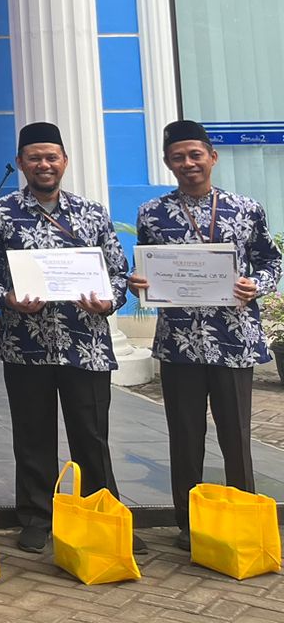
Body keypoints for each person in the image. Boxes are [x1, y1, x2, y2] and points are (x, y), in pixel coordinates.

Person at [0, 121, 133, 554]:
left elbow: (118, 272)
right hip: (25, 344)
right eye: (34, 158)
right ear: (20, 163)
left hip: (85, 343)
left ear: (64, 161)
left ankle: (102, 514)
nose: (43, 164)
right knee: (32, 436)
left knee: (92, 436)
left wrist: (109, 300)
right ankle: (36, 517)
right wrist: (8, 299)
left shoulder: (92, 213)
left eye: (51, 157)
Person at [128, 119, 281, 548]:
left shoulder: (245, 208)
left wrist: (257, 285)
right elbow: (144, 267)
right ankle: (189, 524)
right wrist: (138, 283)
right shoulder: (152, 213)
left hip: (233, 339)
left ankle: (243, 519)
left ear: (212, 157)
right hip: (179, 341)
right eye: (178, 157)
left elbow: (271, 261)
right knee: (185, 435)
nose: (188, 163)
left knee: (236, 435)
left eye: (195, 154)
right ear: (168, 163)